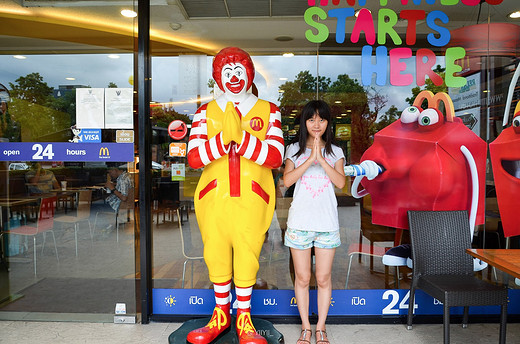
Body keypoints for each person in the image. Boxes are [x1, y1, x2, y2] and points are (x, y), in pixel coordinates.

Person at [187, 47, 284, 344]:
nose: (233, 78)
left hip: (252, 201)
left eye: (239, 72)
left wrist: (241, 140)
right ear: (218, 76)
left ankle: (244, 319)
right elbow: (194, 158)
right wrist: (222, 140)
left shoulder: (269, 111)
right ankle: (219, 316)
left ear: (249, 74)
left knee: (247, 256)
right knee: (215, 254)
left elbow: (276, 156)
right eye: (227, 72)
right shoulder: (204, 112)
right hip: (214, 200)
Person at [283, 100, 346, 344]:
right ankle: (305, 328)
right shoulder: (293, 150)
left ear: (328, 122)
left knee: (323, 278)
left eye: (321, 119)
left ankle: (321, 327)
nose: (316, 124)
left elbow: (340, 183)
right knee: (301, 277)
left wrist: (322, 158)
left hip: (326, 224)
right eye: (311, 119)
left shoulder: (337, 152)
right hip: (299, 222)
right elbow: (287, 181)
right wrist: (310, 159)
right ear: (304, 122)